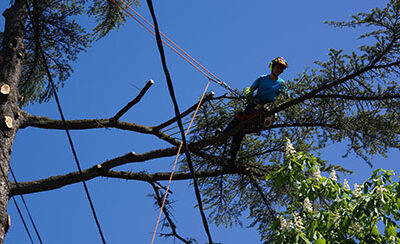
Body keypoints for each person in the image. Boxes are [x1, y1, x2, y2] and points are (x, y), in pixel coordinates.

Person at [221, 57, 288, 166]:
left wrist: (278, 103)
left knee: (241, 130)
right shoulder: (262, 79)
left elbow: (286, 96)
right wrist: (249, 95)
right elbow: (250, 89)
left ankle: (232, 157)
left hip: (265, 110)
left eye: (280, 69)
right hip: (253, 105)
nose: (278, 70)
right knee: (237, 122)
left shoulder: (281, 84)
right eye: (276, 67)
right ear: (272, 67)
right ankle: (225, 142)